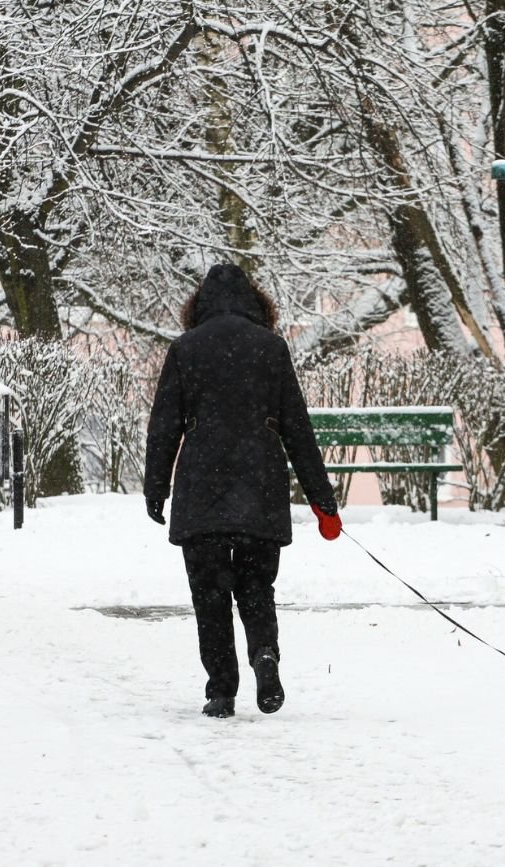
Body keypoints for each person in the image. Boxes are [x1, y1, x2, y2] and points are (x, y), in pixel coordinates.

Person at [144, 264, 342, 719]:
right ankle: (265, 654)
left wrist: (156, 487)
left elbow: (164, 426)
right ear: (257, 304)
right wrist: (322, 500)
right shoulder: (271, 349)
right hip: (260, 488)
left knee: (210, 595)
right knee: (256, 586)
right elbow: (297, 428)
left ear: (198, 306)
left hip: (202, 491)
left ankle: (221, 689)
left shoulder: (185, 349)